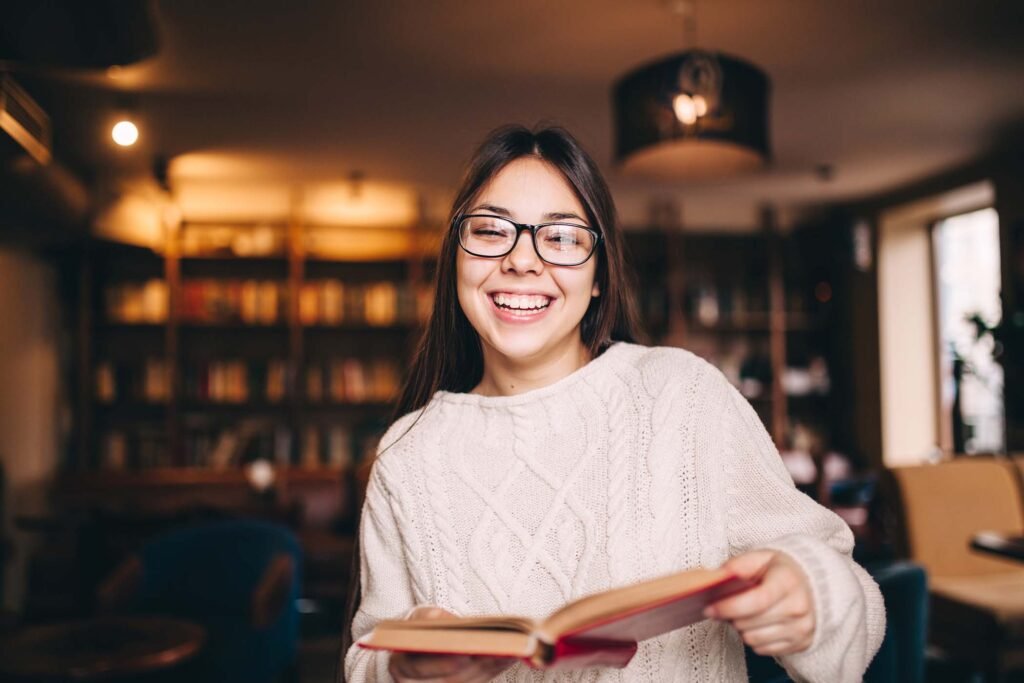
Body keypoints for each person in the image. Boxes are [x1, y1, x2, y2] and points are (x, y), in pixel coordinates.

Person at [342, 125, 885, 682]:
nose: (522, 261)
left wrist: (810, 598)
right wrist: (400, 668)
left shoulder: (684, 397)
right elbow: (367, 654)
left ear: (599, 275)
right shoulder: (408, 456)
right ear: (455, 257)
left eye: (560, 238)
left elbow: (854, 598)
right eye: (490, 230)